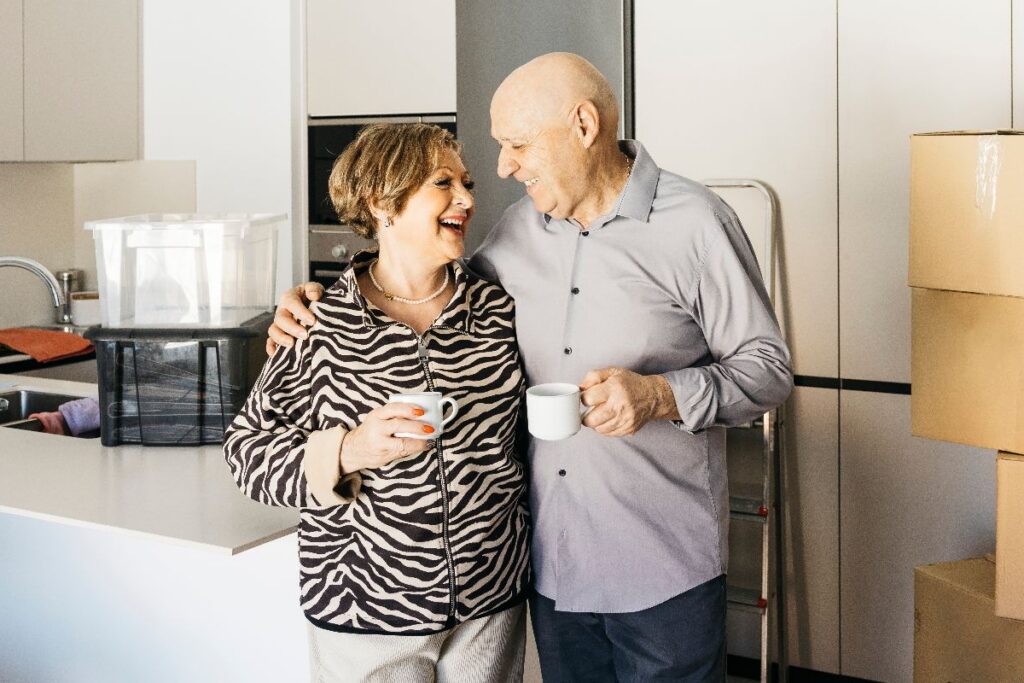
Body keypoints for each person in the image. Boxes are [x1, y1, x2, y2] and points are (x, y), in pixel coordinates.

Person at [270, 53, 793, 682]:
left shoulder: (698, 224)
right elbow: (415, 281)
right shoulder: (514, 235)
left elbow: (767, 370)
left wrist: (660, 395)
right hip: (551, 568)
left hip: (662, 563)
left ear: (582, 125)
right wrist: (317, 297)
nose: (502, 167)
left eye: (517, 144)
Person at [225, 123, 531, 682]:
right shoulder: (318, 323)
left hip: (491, 602)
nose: (467, 198)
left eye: (466, 182)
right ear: (381, 202)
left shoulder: (497, 308)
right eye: (443, 183)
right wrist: (348, 450)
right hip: (363, 608)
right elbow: (246, 455)